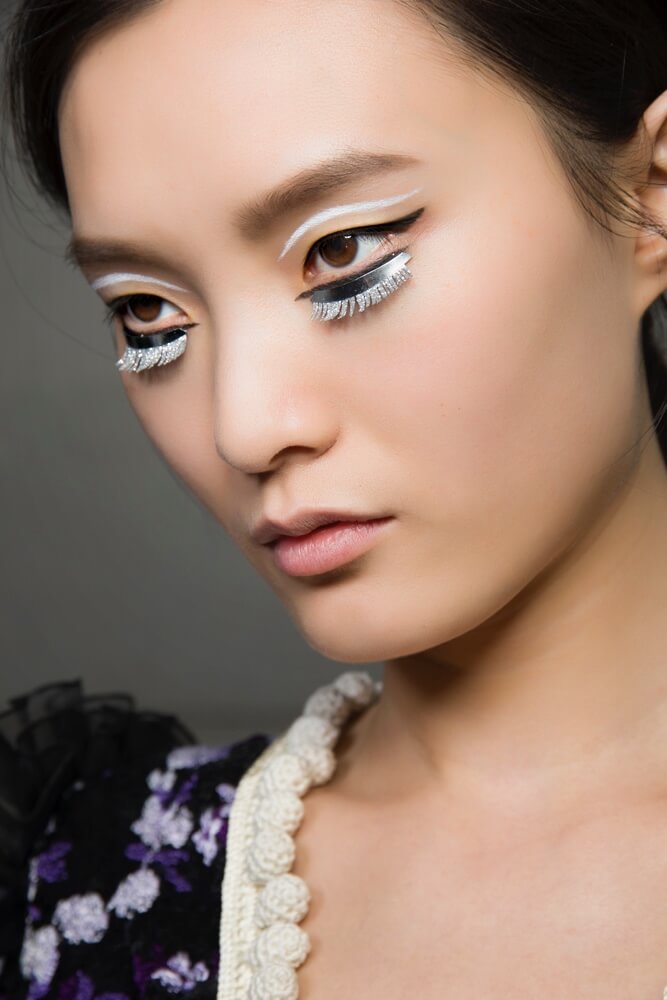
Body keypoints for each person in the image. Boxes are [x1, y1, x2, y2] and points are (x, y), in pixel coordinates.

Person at [1, 0, 667, 996]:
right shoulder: (78, 883)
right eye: (148, 313)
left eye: (345, 253)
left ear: (651, 197)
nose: (244, 426)